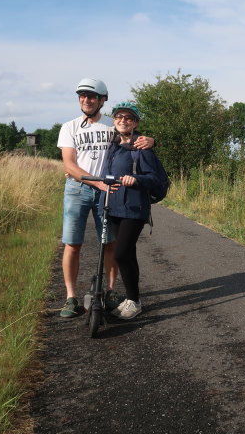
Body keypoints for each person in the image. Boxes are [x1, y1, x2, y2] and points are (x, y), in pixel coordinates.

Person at [57, 78, 154, 318]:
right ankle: (70, 298)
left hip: (108, 191)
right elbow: (69, 165)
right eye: (82, 96)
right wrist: (95, 182)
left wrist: (152, 141)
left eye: (91, 96)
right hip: (78, 189)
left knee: (110, 243)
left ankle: (110, 292)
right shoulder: (70, 127)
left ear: (102, 100)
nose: (86, 100)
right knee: (72, 243)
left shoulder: (113, 125)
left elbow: (135, 139)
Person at [101, 101, 165, 320]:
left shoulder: (142, 147)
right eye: (119, 116)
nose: (123, 120)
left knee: (120, 253)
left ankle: (134, 301)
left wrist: (135, 178)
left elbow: (154, 178)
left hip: (135, 208)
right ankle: (132, 299)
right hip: (115, 207)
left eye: (128, 118)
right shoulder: (114, 145)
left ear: (136, 122)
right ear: (114, 120)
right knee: (128, 254)